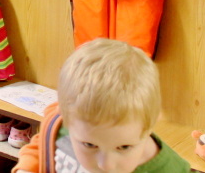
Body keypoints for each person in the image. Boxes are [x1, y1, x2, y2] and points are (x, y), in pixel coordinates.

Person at [13, 38, 191, 173]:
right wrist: (27, 168)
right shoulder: (63, 120)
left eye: (124, 147)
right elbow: (44, 142)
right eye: (89, 145)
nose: (105, 165)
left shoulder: (171, 170)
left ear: (149, 126)